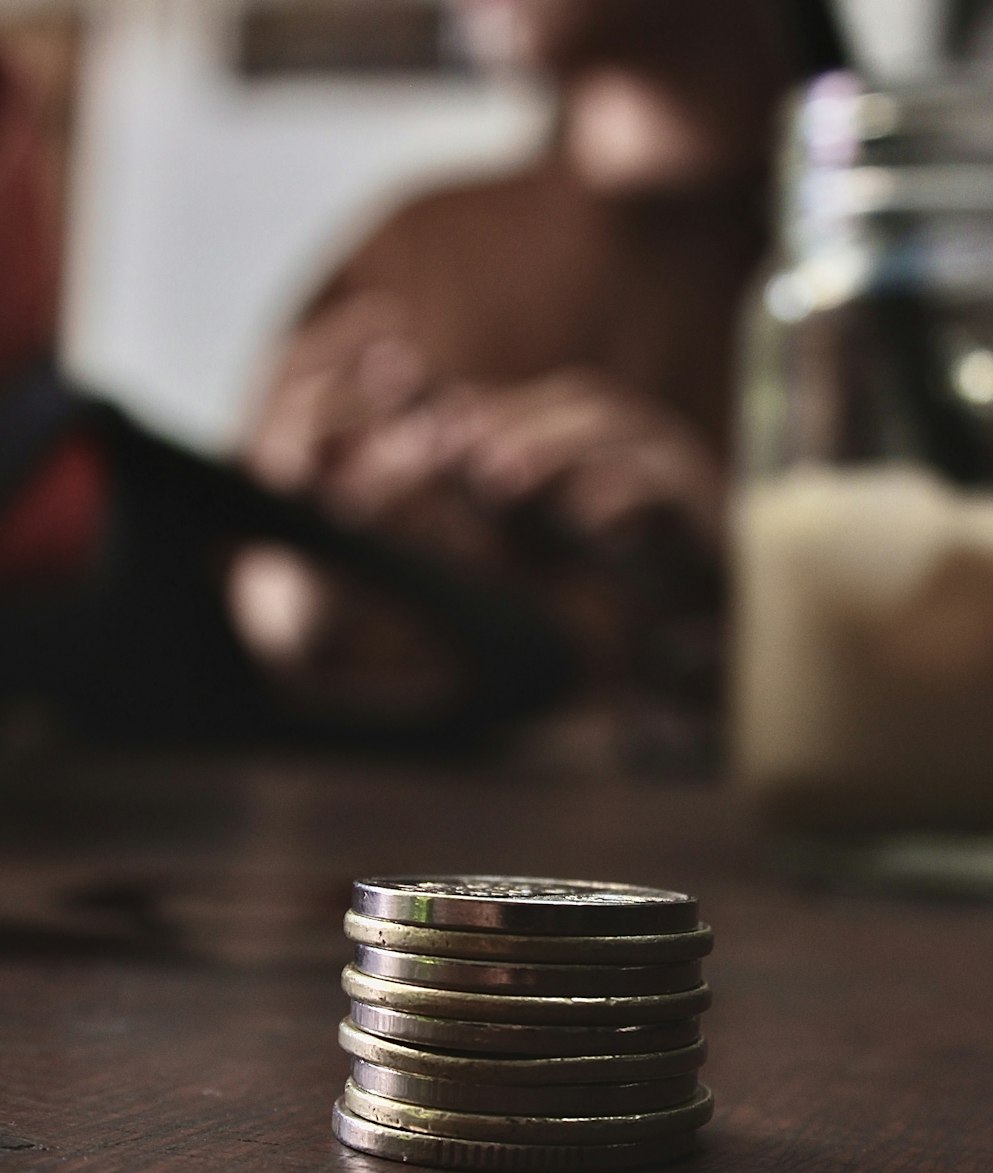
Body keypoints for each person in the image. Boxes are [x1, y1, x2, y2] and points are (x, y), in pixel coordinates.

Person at [236, 0, 799, 761]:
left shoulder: (871, 292)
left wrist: (736, 577)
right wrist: (301, 570)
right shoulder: (413, 248)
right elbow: (252, 612)